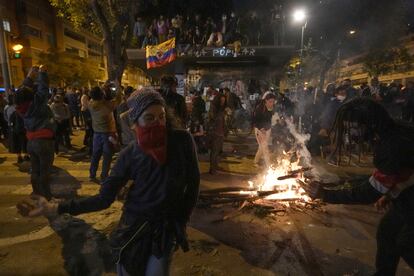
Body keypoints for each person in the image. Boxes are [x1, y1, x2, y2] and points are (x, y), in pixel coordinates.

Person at [18, 89, 200, 276]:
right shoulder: (129, 155)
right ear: (136, 122)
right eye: (149, 118)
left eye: (162, 116)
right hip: (133, 231)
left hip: (164, 232)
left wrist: (181, 220)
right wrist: (56, 208)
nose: (158, 123)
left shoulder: (182, 141)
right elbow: (103, 199)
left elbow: (193, 185)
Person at [304, 98, 414, 275]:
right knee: (387, 232)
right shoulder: (391, 131)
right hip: (408, 194)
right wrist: (389, 194)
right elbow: (400, 174)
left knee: (406, 243)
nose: (350, 134)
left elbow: (370, 192)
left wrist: (326, 195)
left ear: (369, 124)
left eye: (353, 127)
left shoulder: (391, 146)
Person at [14, 65, 56, 200]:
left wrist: (29, 78)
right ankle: (46, 195)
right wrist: (42, 74)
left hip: (31, 142)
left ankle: (36, 193)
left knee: (35, 169)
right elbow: (43, 91)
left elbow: (21, 92)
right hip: (43, 141)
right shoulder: (36, 105)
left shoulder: (21, 107)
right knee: (45, 170)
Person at [88, 82, 122, 182]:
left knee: (96, 155)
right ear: (102, 95)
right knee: (107, 156)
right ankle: (104, 177)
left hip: (97, 134)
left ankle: (92, 174)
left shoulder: (91, 104)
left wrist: (102, 89)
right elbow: (119, 99)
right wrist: (118, 88)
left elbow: (97, 96)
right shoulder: (107, 106)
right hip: (108, 134)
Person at [252, 92, 276, 167]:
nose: (271, 103)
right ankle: (268, 165)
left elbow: (271, 118)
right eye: (270, 101)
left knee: (262, 147)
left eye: (273, 101)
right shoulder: (260, 108)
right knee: (264, 147)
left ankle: (255, 161)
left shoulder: (272, 107)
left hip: (268, 129)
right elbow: (255, 120)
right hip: (260, 129)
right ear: (266, 100)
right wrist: (261, 128)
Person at [4, 94, 29, 163]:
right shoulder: (24, 111)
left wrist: (11, 127)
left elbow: (8, 119)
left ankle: (19, 157)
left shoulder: (11, 111)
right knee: (24, 143)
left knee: (17, 144)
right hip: (23, 130)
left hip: (15, 130)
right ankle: (26, 156)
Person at [208, 93, 227, 174]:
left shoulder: (222, 108)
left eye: (224, 101)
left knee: (218, 151)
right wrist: (222, 113)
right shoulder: (214, 107)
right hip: (215, 132)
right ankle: (212, 169)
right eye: (221, 101)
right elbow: (213, 117)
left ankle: (215, 165)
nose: (222, 102)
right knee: (214, 151)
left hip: (221, 131)